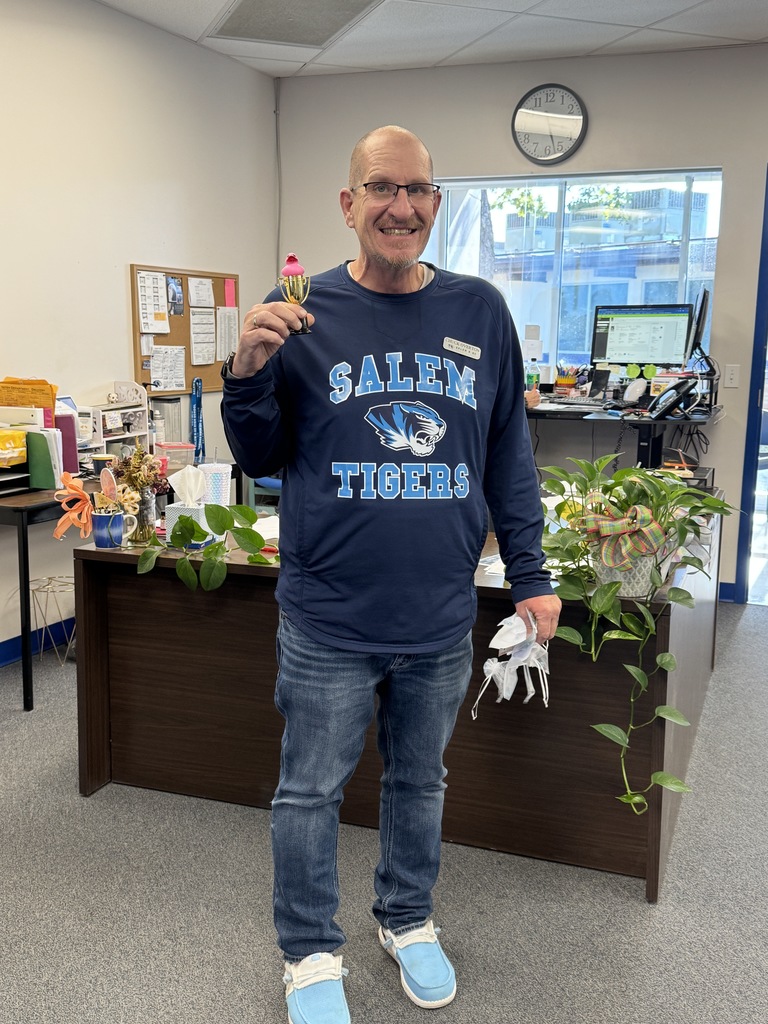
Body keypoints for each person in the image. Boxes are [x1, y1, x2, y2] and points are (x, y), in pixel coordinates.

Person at [221, 124, 561, 1024]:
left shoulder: (481, 311)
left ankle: (407, 919)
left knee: (421, 781)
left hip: (440, 616)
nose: (399, 206)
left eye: (416, 190)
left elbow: (508, 456)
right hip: (328, 613)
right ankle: (308, 950)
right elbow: (260, 458)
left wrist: (531, 572)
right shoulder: (297, 310)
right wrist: (247, 369)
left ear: (435, 205)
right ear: (349, 204)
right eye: (380, 187)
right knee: (308, 791)